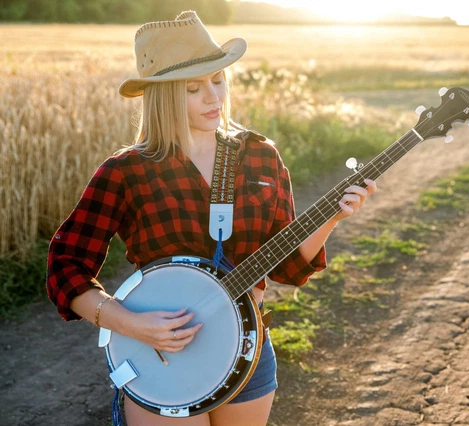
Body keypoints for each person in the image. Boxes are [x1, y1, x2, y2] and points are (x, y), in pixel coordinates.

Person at [46, 10, 376, 426]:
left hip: (249, 350)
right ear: (163, 94)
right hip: (162, 359)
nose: (213, 98)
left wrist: (333, 217)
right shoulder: (127, 170)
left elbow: (289, 268)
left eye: (218, 81)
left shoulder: (259, 155)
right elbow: (65, 267)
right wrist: (131, 324)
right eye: (193, 88)